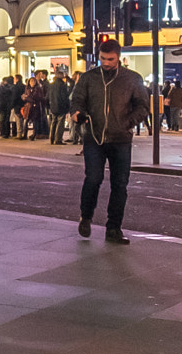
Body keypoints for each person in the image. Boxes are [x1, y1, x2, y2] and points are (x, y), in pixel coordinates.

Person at [69, 41, 149, 245]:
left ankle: (113, 228)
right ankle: (85, 216)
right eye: (102, 58)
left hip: (121, 139)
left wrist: (127, 123)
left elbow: (143, 106)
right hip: (94, 137)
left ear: (119, 57)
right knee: (93, 178)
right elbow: (77, 100)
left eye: (110, 59)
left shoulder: (132, 79)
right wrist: (77, 113)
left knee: (120, 184)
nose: (106, 62)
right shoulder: (88, 78)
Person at [48, 69, 73, 144]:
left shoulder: (52, 85)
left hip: (53, 106)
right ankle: (58, 139)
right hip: (61, 106)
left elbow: (49, 96)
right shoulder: (62, 85)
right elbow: (64, 97)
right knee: (60, 123)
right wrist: (67, 106)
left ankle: (51, 139)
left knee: (53, 122)